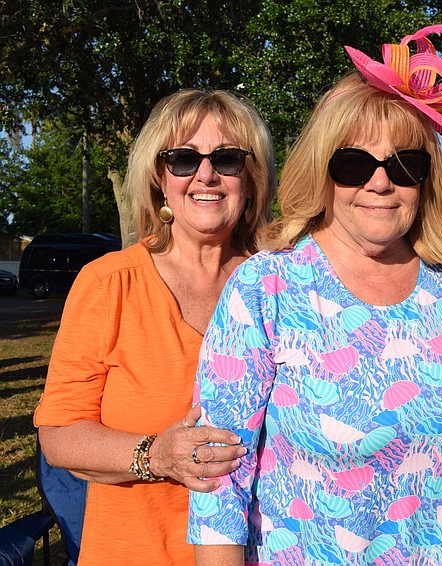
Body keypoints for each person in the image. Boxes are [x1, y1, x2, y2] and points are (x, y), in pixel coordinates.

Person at [188, 25, 442, 566]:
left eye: (405, 165)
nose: (380, 182)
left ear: (427, 180)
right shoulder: (266, 287)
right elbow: (218, 477)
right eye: (353, 164)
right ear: (322, 173)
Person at [34, 89, 277, 565]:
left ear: (251, 179)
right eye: (183, 159)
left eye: (227, 159)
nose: (205, 174)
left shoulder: (281, 284)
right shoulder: (109, 283)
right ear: (159, 179)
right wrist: (156, 455)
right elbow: (58, 436)